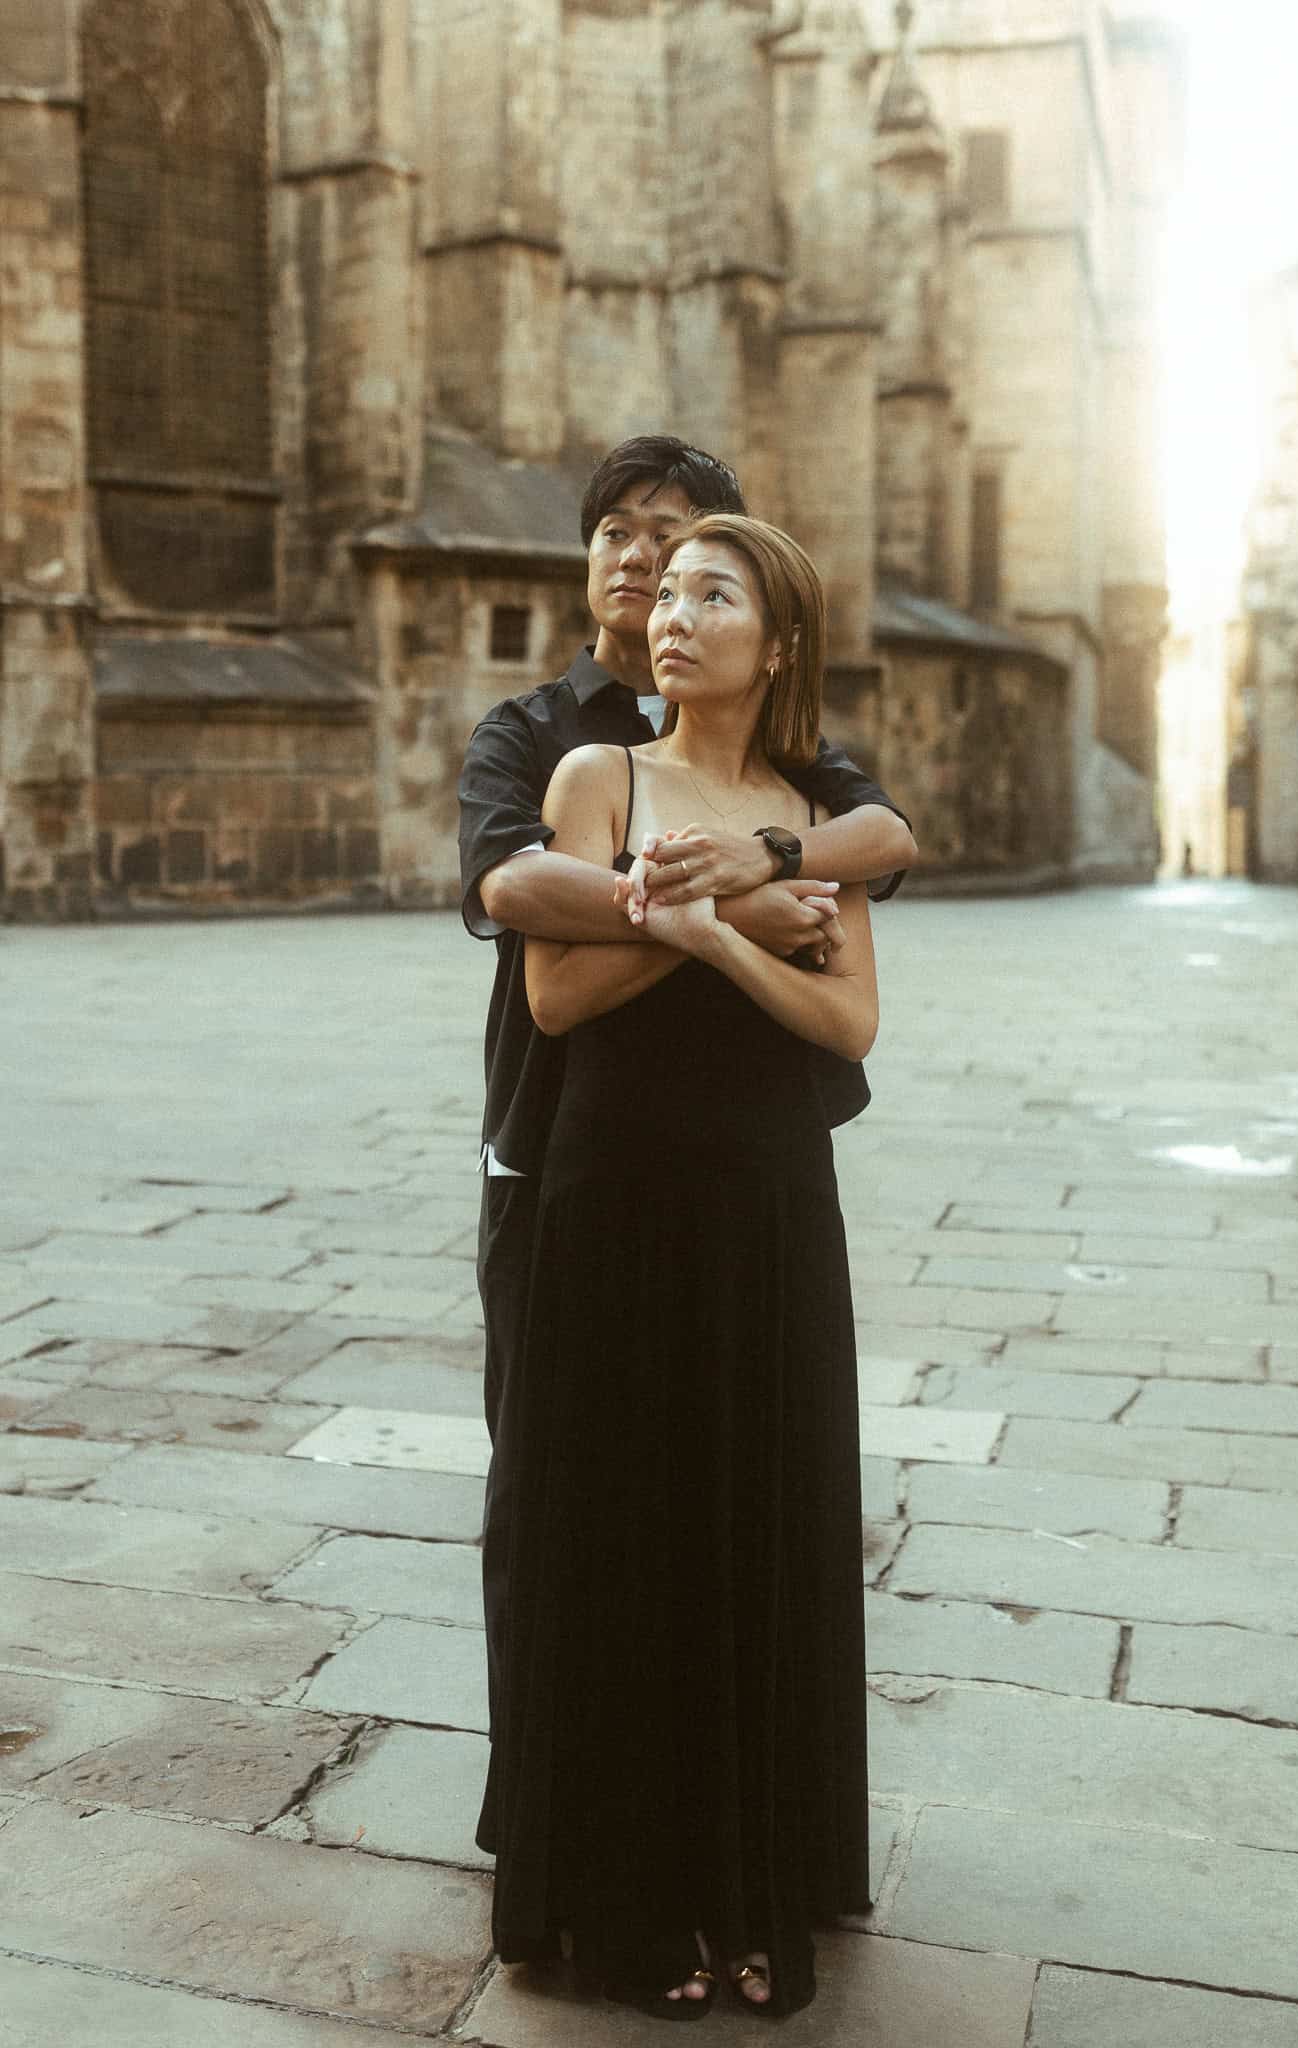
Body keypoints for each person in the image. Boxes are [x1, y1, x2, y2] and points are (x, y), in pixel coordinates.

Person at [478, 514, 876, 2022]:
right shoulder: (599, 777)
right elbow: (558, 993)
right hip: (616, 1187)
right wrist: (714, 928)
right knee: (622, 1525)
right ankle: (629, 1905)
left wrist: (724, 930)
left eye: (716, 595)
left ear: (778, 645)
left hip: (769, 1201)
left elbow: (850, 1024)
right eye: (670, 593)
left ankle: (753, 1887)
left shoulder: (812, 810)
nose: (674, 612)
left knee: (753, 1520)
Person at [456, 436, 915, 1744]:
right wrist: (726, 912)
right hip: (557, 1141)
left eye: (680, 546)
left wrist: (762, 855)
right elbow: (513, 887)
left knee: (737, 1488)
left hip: (745, 1163)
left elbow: (881, 839)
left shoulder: (797, 766)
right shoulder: (540, 736)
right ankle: (558, 1785)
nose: (645, 566)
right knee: (553, 1485)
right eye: (620, 534)